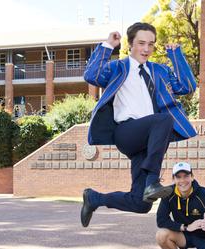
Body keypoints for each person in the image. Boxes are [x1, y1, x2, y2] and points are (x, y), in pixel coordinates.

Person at [80, 22, 198, 227]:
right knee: (164, 120)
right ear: (131, 45)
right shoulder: (118, 67)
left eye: (151, 44)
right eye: (141, 43)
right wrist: (108, 46)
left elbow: (187, 86)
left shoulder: (159, 70)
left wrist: (176, 55)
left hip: (148, 140)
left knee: (141, 203)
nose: (146, 49)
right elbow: (92, 76)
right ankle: (152, 180)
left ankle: (94, 198)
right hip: (126, 132)